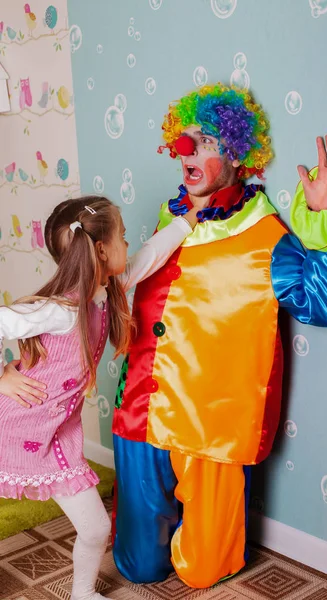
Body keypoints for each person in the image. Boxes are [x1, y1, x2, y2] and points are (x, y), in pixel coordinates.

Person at [111, 83, 327, 589]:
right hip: (140, 412)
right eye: (184, 140)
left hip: (212, 430)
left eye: (204, 141)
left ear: (239, 155)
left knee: (202, 572)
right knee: (138, 568)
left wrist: (324, 217)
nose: (186, 151)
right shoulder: (170, 216)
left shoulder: (266, 235)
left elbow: (322, 305)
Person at [0, 195, 197, 600]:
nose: (129, 241)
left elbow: (146, 259)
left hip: (58, 435)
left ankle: (83, 594)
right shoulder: (59, 311)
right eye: (123, 236)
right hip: (13, 427)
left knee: (95, 528)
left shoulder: (106, 293)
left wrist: (186, 223)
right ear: (102, 250)